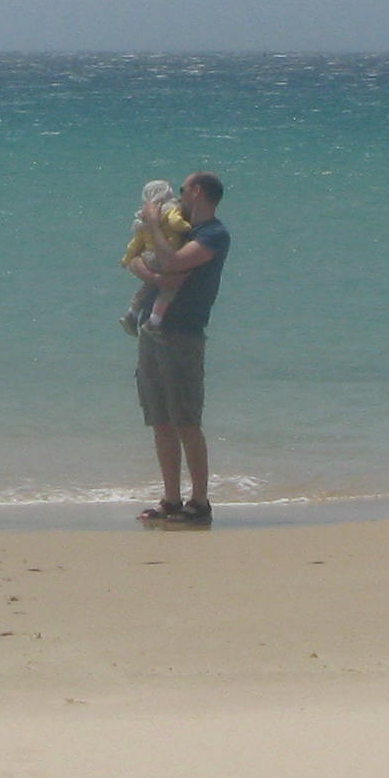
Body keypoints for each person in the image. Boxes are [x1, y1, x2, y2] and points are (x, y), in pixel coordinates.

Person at [127, 170, 229, 527]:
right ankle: (171, 498)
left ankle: (199, 502)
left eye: (183, 189)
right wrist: (155, 277)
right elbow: (138, 258)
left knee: (186, 420)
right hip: (153, 330)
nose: (179, 195)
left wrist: (155, 225)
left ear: (197, 192)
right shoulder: (179, 228)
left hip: (183, 334)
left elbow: (173, 262)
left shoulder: (213, 234)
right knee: (160, 420)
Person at [117, 179, 191, 334]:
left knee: (148, 286)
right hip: (163, 255)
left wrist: (126, 259)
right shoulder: (170, 209)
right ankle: (154, 321)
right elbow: (175, 222)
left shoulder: (143, 219)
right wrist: (187, 227)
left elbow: (135, 244)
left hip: (148, 256)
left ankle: (131, 314)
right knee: (169, 289)